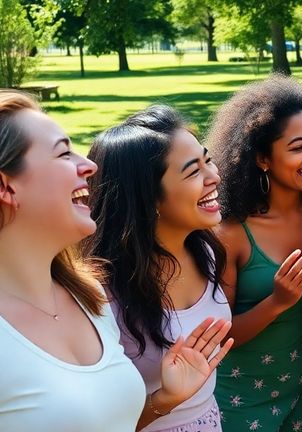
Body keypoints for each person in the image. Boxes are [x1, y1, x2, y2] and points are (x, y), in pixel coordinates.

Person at [0, 91, 229, 431]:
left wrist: (168, 398)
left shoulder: (90, 298)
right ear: (6, 188)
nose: (89, 166)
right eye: (63, 152)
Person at [84, 105, 235, 431]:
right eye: (194, 171)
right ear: (148, 196)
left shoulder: (205, 250)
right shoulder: (99, 294)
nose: (215, 176)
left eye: (207, 160)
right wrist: (165, 400)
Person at [207, 75, 302, 432]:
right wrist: (278, 301)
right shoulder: (231, 231)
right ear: (263, 158)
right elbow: (220, 334)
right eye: (298, 147)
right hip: (241, 393)